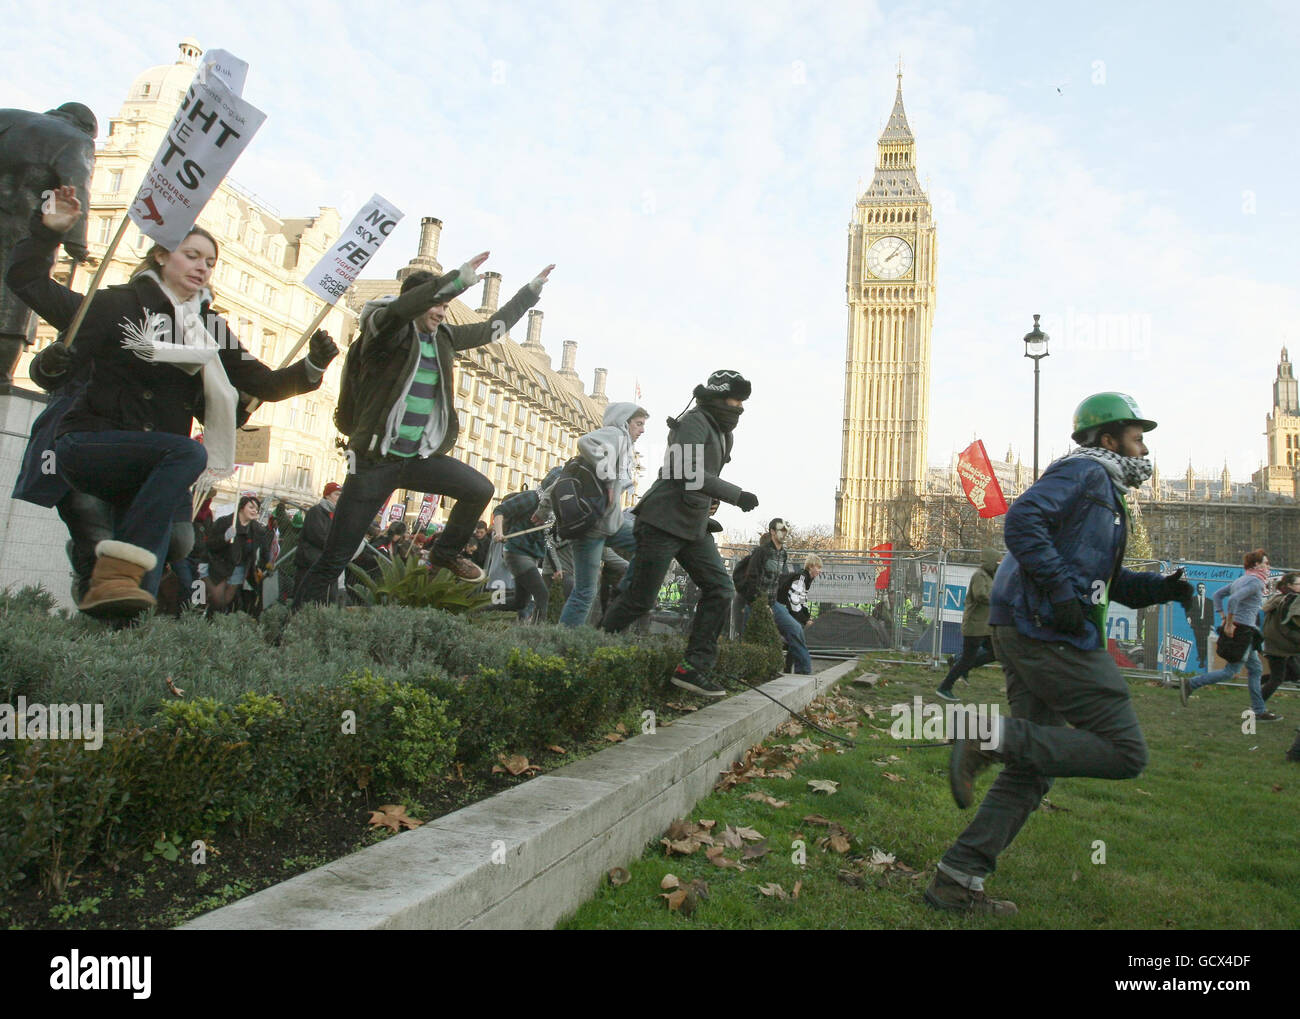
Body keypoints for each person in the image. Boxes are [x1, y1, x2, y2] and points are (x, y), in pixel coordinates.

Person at [7, 186, 336, 617]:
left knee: (178, 542)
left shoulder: (209, 328)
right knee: (136, 498)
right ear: (161, 255)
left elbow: (268, 383)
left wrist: (312, 365)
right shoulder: (117, 305)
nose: (203, 267)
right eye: (192, 255)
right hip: (94, 443)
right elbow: (28, 284)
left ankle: (113, 609)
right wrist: (47, 233)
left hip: (157, 459)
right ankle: (101, 569)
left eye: (211, 262)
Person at [926, 392, 1192, 916]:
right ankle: (986, 738)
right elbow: (1022, 522)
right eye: (1138, 438)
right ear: (1109, 438)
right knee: (1124, 751)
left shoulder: (1106, 493)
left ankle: (957, 879)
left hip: (1032, 625)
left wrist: (1161, 588)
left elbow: (1105, 582)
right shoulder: (1086, 473)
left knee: (1033, 765)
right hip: (1046, 629)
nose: (1144, 449)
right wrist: (1061, 592)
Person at [294, 253, 553, 605]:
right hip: (374, 461)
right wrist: (457, 281)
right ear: (418, 302)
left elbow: (494, 328)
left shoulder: (443, 337)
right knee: (335, 557)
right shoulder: (383, 331)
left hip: (415, 458)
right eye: (437, 305)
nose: (441, 313)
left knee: (480, 488)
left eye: (446, 307)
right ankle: (292, 624)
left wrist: (532, 290)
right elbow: (400, 311)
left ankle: (444, 554)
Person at [601, 370, 759, 696]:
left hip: (692, 527)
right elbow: (683, 470)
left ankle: (692, 668)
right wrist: (735, 494)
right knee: (639, 599)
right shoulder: (694, 421)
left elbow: (703, 475)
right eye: (735, 400)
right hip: (662, 522)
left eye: (743, 402)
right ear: (718, 397)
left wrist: (711, 499)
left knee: (720, 589)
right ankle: (592, 650)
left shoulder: (721, 429)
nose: (740, 407)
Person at [0, 102, 95, 383]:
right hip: (20, 231)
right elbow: (76, 189)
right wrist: (76, 243)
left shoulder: (6, 116)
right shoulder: (76, 139)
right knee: (13, 301)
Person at [542, 402, 648, 627]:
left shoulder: (619, 446)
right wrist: (609, 480)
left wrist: (541, 510)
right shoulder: (616, 434)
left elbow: (559, 482)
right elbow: (585, 441)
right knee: (584, 593)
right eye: (638, 424)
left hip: (610, 525)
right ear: (624, 421)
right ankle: (562, 642)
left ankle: (625, 591)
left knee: (650, 543)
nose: (642, 430)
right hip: (591, 530)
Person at [1181, 550, 1282, 721]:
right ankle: (1191, 684)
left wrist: (1222, 616)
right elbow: (1234, 600)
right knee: (1230, 672)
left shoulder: (1241, 579)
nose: (1268, 566)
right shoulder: (1256, 582)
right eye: (1266, 563)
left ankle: (1258, 709)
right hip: (1242, 632)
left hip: (1242, 631)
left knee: (1255, 669)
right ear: (1256, 565)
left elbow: (1218, 595)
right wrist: (1228, 623)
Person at [936, 548, 1001, 700]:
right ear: (991, 562)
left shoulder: (990, 576)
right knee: (968, 658)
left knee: (995, 652)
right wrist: (998, 601)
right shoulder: (979, 575)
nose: (999, 565)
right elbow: (980, 595)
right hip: (974, 626)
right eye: (997, 562)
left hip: (985, 626)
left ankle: (960, 664)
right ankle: (944, 687)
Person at [491, 478, 557, 623]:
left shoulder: (554, 510)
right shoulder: (531, 497)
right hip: (517, 552)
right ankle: (536, 634)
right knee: (542, 594)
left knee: (520, 603)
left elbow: (549, 542)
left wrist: (556, 567)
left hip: (531, 556)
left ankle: (479, 610)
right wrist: (499, 532)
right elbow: (499, 510)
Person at [203, 495, 270, 614]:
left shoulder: (257, 529)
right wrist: (224, 538)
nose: (255, 511)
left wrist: (266, 564)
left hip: (239, 570)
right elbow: (210, 544)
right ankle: (207, 618)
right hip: (220, 567)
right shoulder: (225, 522)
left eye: (257, 509)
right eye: (251, 507)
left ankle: (217, 623)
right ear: (241, 508)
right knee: (217, 601)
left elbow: (264, 550)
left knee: (226, 602)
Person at [294, 482, 342, 601]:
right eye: (336, 494)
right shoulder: (316, 511)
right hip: (310, 563)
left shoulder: (335, 515)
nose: (339, 498)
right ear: (327, 495)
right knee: (306, 599)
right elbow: (318, 536)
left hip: (324, 564)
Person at [775, 553, 822, 674]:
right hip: (783, 609)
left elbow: (802, 600)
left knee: (794, 640)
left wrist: (806, 617)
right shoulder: (801, 578)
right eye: (818, 567)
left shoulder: (806, 579)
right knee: (796, 638)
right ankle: (799, 670)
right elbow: (794, 601)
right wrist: (805, 619)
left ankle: (787, 668)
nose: (819, 571)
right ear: (811, 566)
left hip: (786, 609)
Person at [1260, 571, 1300, 702]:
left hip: (1280, 646)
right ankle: (1257, 705)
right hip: (1280, 648)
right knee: (1277, 679)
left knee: (1294, 674)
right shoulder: (1290, 601)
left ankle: (1260, 681)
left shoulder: (1279, 598)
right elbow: (1288, 627)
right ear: (1289, 585)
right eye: (1298, 584)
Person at [1184, 582, 1216, 671]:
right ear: (1197, 589)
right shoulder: (1192, 600)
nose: (1201, 589)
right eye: (1200, 588)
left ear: (1205, 589)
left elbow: (1211, 615)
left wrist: (1212, 625)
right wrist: (1188, 618)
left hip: (1206, 625)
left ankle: (1203, 658)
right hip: (1196, 624)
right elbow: (1188, 610)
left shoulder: (1210, 602)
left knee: (1205, 642)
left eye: (1203, 588)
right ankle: (1201, 658)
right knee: (1199, 641)